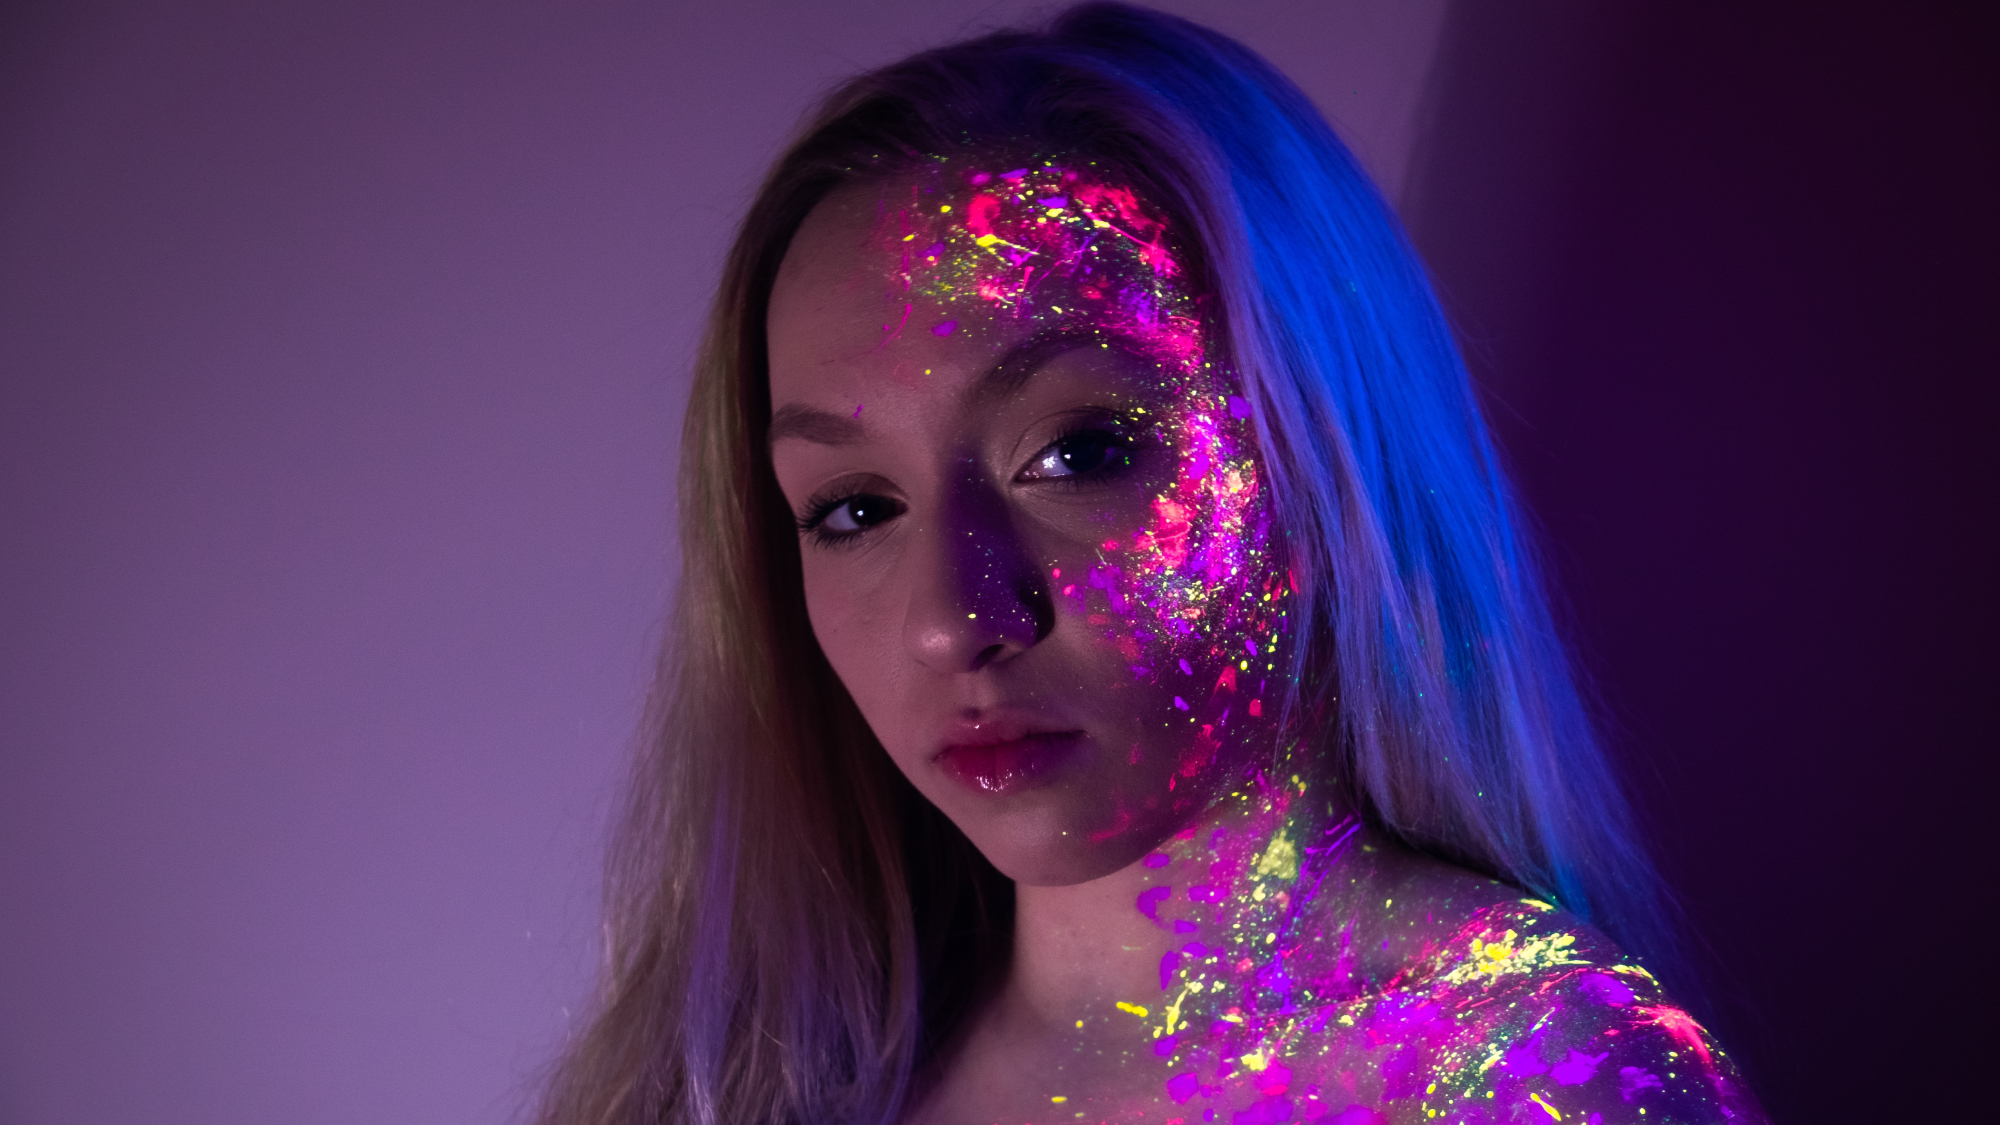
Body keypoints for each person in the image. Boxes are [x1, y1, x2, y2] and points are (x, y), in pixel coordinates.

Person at [536, 5, 1764, 1123]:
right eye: (855, 510)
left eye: (1076, 451)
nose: (950, 619)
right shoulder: (740, 1091)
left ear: (1314, 453)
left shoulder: (1541, 1078)